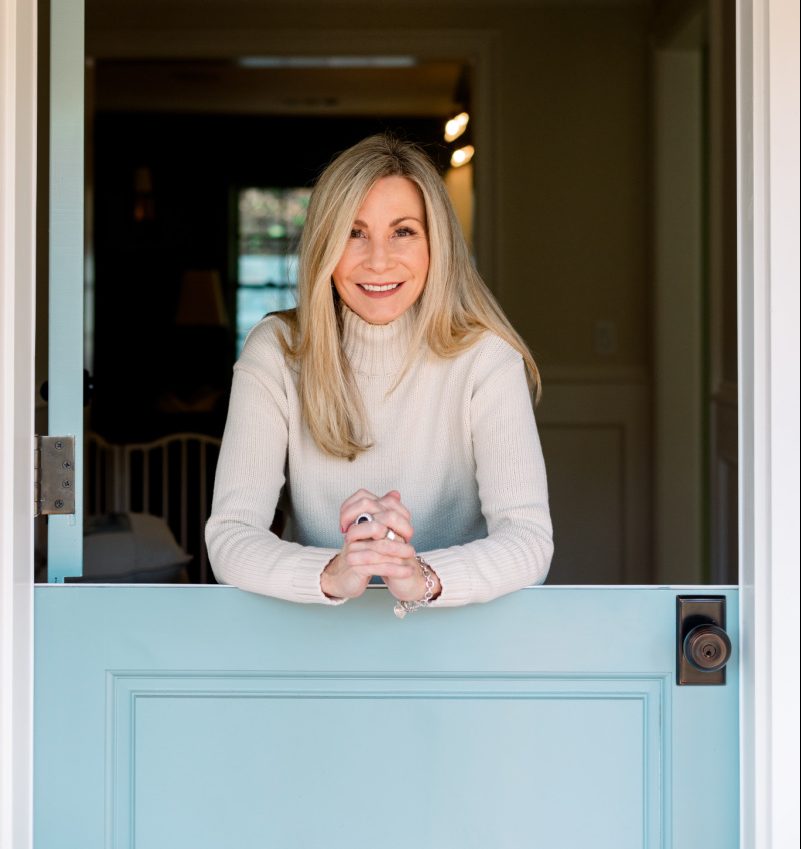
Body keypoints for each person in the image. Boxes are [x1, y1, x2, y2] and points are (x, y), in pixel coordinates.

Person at [206, 134, 552, 613]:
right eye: (354, 231)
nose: (378, 260)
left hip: (460, 640)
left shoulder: (486, 358)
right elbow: (231, 536)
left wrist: (421, 577)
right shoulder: (279, 351)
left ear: (437, 244)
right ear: (326, 243)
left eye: (403, 231)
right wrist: (332, 572)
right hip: (311, 637)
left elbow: (529, 540)